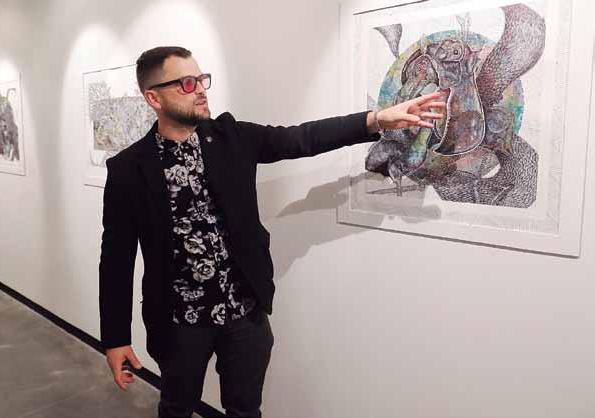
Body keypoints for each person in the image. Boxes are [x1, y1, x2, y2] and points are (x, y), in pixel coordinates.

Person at [99, 46, 444, 418]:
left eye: (201, 79)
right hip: (179, 323)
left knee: (246, 411)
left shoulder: (230, 137)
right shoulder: (128, 169)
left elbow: (300, 138)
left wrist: (376, 120)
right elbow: (116, 259)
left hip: (244, 316)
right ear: (154, 98)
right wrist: (115, 339)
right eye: (186, 83)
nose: (200, 89)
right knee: (176, 409)